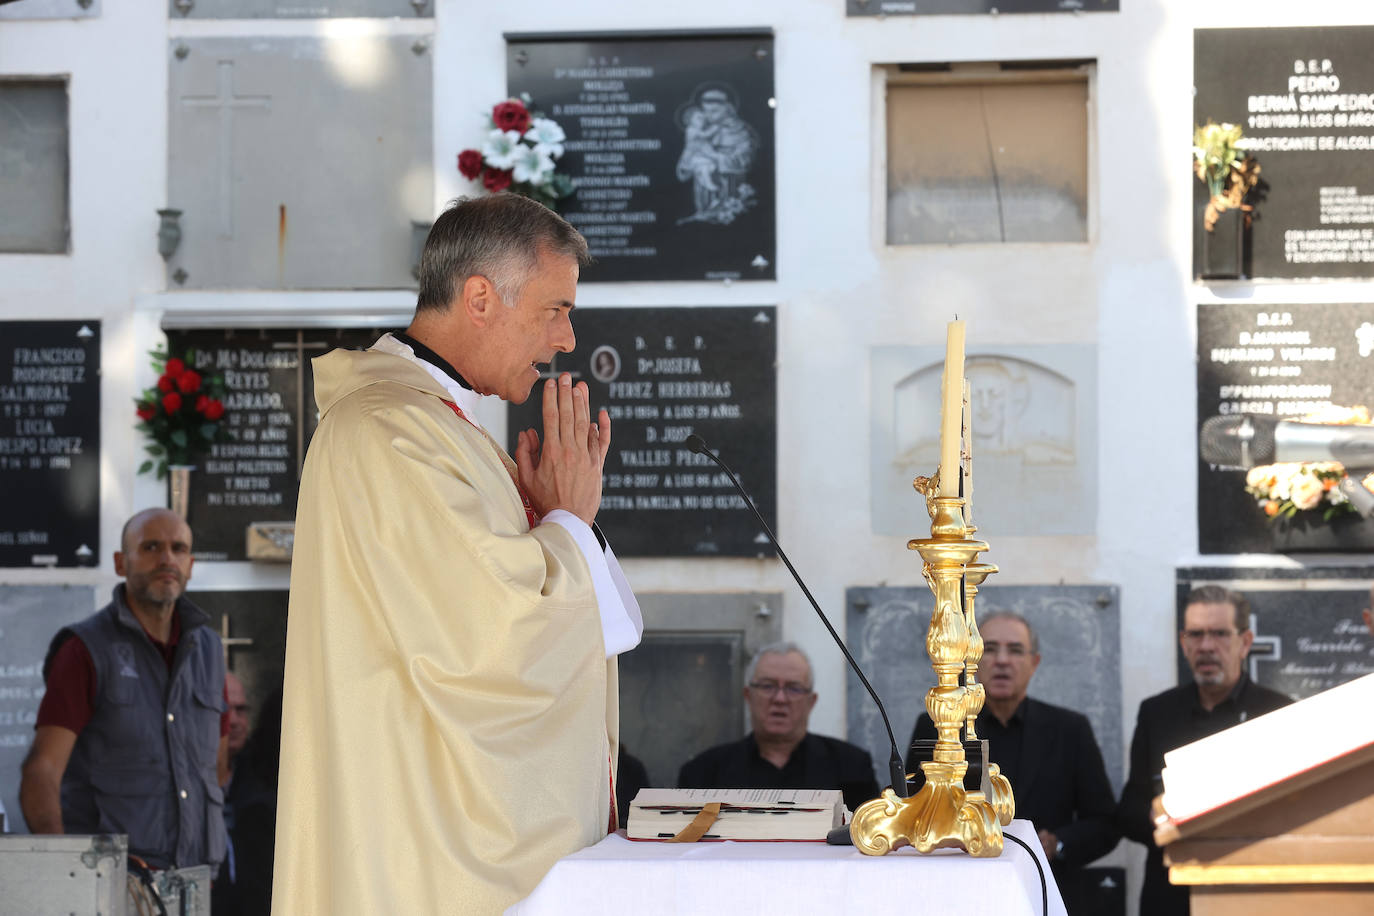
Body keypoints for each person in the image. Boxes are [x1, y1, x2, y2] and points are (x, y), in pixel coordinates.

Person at [273, 194, 642, 915]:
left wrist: (548, 517)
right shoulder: (392, 432)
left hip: (434, 828)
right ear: (480, 297)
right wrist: (567, 520)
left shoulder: (439, 427)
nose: (567, 338)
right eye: (554, 309)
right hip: (424, 851)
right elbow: (496, 642)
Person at [19, 508, 228, 872]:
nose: (167, 559)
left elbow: (218, 766)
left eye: (178, 548)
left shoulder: (209, 650)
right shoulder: (84, 650)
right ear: (121, 562)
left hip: (194, 884)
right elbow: (42, 771)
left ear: (191, 564)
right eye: (150, 547)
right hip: (112, 884)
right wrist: (66, 875)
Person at [905, 612, 1118, 914]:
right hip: (956, 891)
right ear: (970, 661)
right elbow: (913, 809)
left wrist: (1056, 844)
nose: (1002, 660)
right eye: (989, 649)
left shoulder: (1070, 730)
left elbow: (1105, 823)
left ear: (1035, 663)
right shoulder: (937, 727)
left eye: (1016, 650)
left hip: (1044, 892)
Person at [1117, 585, 1292, 916]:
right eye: (1196, 635)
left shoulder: (1279, 713)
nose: (1207, 646)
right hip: (1171, 896)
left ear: (1245, 642)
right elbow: (1128, 810)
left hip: (1253, 894)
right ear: (1184, 644)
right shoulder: (1156, 713)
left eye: (1220, 634)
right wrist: (1154, 817)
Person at [677, 643, 879, 812]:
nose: (780, 699)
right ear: (748, 695)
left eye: (794, 688)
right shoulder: (702, 774)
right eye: (767, 686)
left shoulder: (852, 767)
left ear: (811, 701)